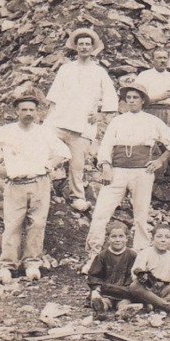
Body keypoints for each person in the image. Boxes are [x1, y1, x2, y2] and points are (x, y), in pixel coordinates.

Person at [0, 91, 71, 284]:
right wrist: (0, 169)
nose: (28, 113)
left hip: (39, 183)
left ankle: (32, 263)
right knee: (12, 224)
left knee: (37, 223)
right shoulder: (7, 131)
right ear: (16, 112)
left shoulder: (44, 132)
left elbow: (63, 153)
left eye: (31, 109)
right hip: (15, 184)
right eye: (24, 110)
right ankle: (7, 266)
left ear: (37, 112)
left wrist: (49, 165)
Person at [85, 82, 170, 256]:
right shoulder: (117, 121)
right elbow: (106, 146)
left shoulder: (152, 121)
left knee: (141, 215)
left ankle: (141, 254)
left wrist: (160, 160)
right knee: (101, 211)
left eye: (135, 98)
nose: (131, 101)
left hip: (142, 173)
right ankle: (93, 253)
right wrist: (106, 166)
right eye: (128, 98)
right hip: (117, 171)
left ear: (143, 101)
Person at [44, 28, 119, 211]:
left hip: (83, 127)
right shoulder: (65, 69)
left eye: (87, 44)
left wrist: (100, 114)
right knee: (44, 154)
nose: (84, 47)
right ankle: (42, 190)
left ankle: (77, 197)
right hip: (59, 122)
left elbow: (111, 99)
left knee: (77, 166)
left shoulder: (99, 72)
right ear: (75, 47)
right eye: (81, 44)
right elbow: (53, 97)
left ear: (93, 47)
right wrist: (48, 121)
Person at [134, 48, 170, 199]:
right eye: (159, 58)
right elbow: (139, 100)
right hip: (151, 112)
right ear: (152, 60)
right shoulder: (144, 76)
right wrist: (160, 96)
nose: (162, 60)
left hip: (169, 114)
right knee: (150, 148)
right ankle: (148, 186)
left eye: (165, 58)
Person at [129, 222, 170, 316]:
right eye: (159, 237)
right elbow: (136, 272)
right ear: (153, 239)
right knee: (134, 286)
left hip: (165, 289)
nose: (163, 240)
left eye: (167, 237)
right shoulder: (145, 253)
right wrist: (144, 277)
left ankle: (156, 304)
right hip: (148, 288)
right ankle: (168, 306)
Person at [87, 221, 142, 318]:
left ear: (126, 238)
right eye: (114, 236)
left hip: (124, 291)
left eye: (121, 236)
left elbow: (135, 274)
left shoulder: (132, 255)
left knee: (124, 302)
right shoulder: (102, 256)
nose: (117, 240)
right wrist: (97, 288)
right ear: (108, 239)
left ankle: (122, 312)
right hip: (106, 290)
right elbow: (94, 275)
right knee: (105, 301)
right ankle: (101, 309)